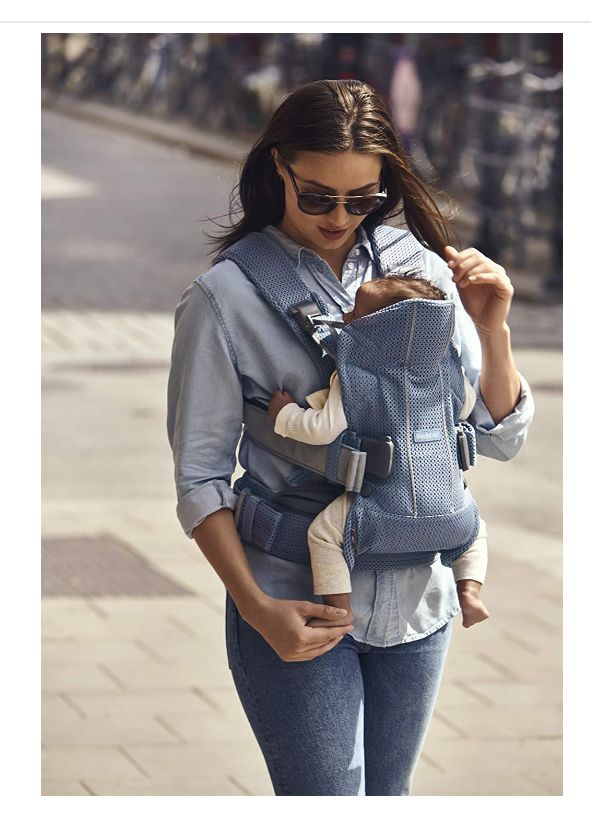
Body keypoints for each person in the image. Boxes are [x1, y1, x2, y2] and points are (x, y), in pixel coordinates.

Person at [167, 79, 534, 796]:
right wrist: (255, 607)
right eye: (318, 196)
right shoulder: (224, 300)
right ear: (278, 169)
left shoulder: (422, 269)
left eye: (361, 200)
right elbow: (199, 478)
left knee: (386, 799)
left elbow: (495, 438)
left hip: (414, 594)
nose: (340, 217)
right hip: (291, 596)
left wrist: (491, 329)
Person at [267, 275, 490, 630]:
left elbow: (321, 428)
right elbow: (466, 407)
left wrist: (283, 414)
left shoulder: (356, 375)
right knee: (475, 532)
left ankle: (339, 609)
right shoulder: (445, 370)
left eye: (359, 313)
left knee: (324, 536)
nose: (349, 315)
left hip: (382, 506)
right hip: (450, 509)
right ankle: (470, 593)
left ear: (381, 331)